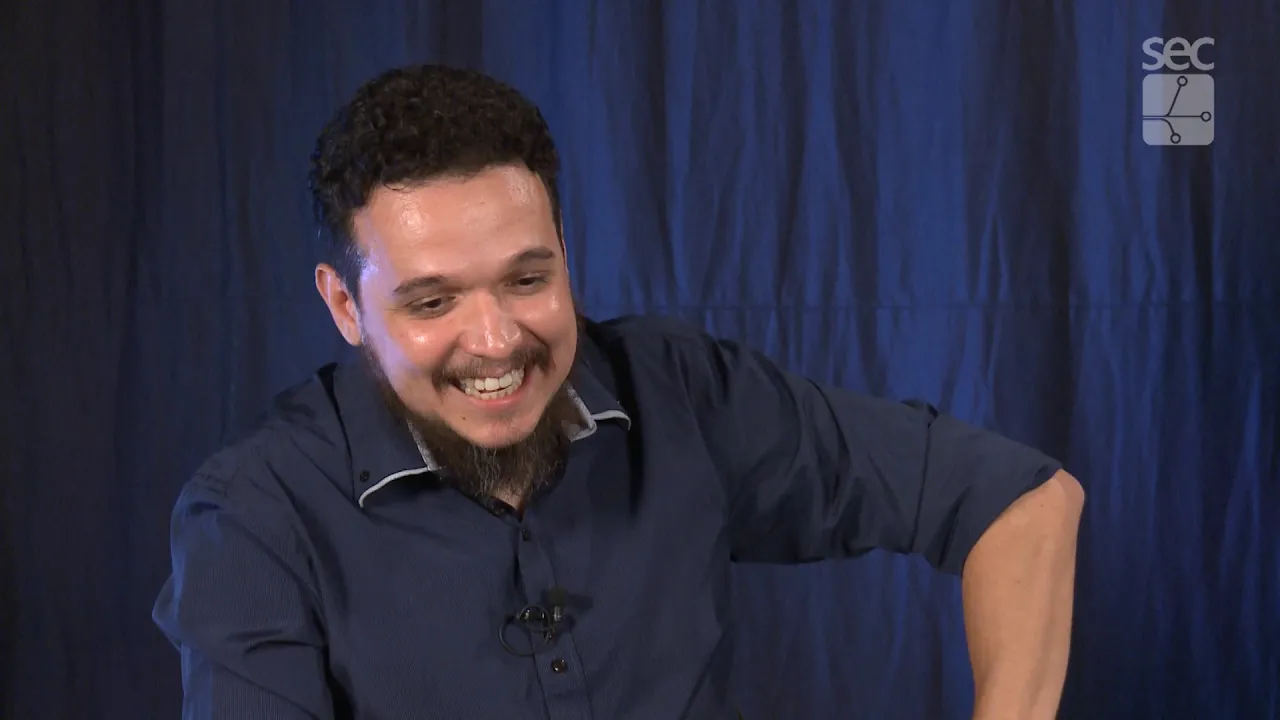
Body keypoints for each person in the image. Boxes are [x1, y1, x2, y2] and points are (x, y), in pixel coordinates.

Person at [152, 63, 1084, 720]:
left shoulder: (678, 390)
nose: (496, 341)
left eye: (527, 279)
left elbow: (1025, 503)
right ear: (344, 306)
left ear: (567, 252)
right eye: (432, 301)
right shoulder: (254, 515)